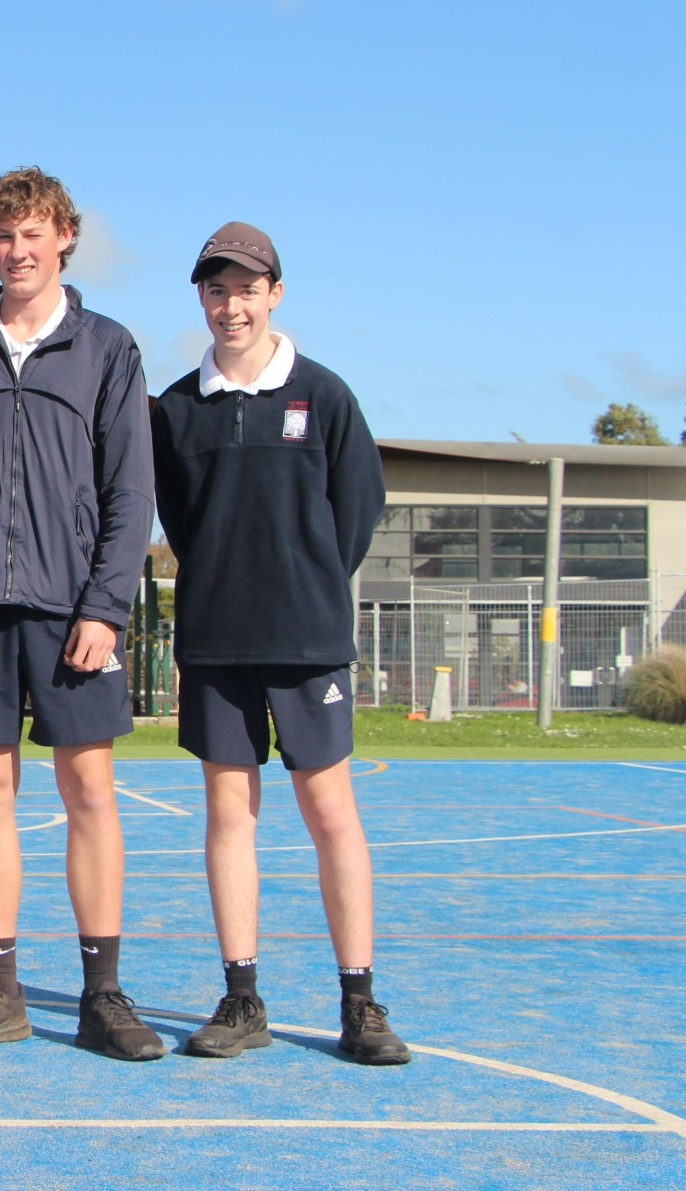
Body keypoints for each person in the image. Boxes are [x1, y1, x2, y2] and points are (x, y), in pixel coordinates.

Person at [0, 167, 164, 1059]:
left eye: (33, 234)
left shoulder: (109, 348)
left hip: (72, 609)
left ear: (66, 238)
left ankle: (102, 992)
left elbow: (131, 490)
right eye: (3, 236)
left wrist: (106, 607)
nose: (17, 250)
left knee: (89, 791)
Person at [149, 222, 410, 1065]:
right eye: (217, 289)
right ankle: (241, 995)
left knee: (331, 812)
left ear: (276, 293)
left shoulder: (325, 396)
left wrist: (305, 583)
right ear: (202, 298)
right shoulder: (175, 407)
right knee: (230, 813)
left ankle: (360, 999)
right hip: (218, 642)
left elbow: (358, 509)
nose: (232, 304)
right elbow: (183, 522)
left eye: (247, 288)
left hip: (308, 640)